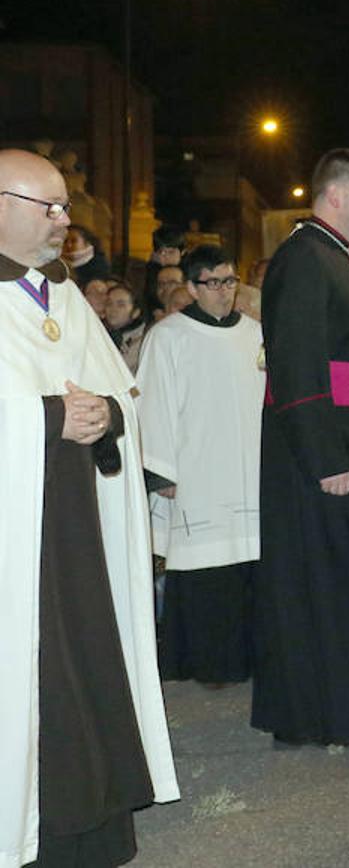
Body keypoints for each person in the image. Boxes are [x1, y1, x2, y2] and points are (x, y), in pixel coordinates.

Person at [0, 148, 178, 866]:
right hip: (17, 540)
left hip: (75, 527)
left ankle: (92, 821)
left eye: (65, 207)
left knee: (88, 664)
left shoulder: (63, 294)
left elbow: (115, 393)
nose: (66, 223)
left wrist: (102, 412)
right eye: (51, 208)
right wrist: (47, 418)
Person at [254, 148, 349, 750]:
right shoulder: (304, 257)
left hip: (348, 440)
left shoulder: (331, 255)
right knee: (347, 581)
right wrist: (326, 460)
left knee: (340, 581)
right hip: (323, 452)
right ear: (336, 194)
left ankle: (342, 708)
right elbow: (297, 367)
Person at [136, 245, 263, 685]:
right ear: (191, 287)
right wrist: (162, 471)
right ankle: (202, 662)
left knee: (249, 564)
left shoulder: (254, 334)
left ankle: (250, 659)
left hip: (248, 471)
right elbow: (152, 404)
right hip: (197, 472)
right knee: (204, 568)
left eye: (230, 281)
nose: (224, 292)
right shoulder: (168, 337)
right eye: (213, 283)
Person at [104, 281, 148, 373]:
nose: (113, 309)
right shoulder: (102, 334)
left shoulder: (143, 341)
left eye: (121, 305)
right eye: (109, 303)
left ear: (135, 312)